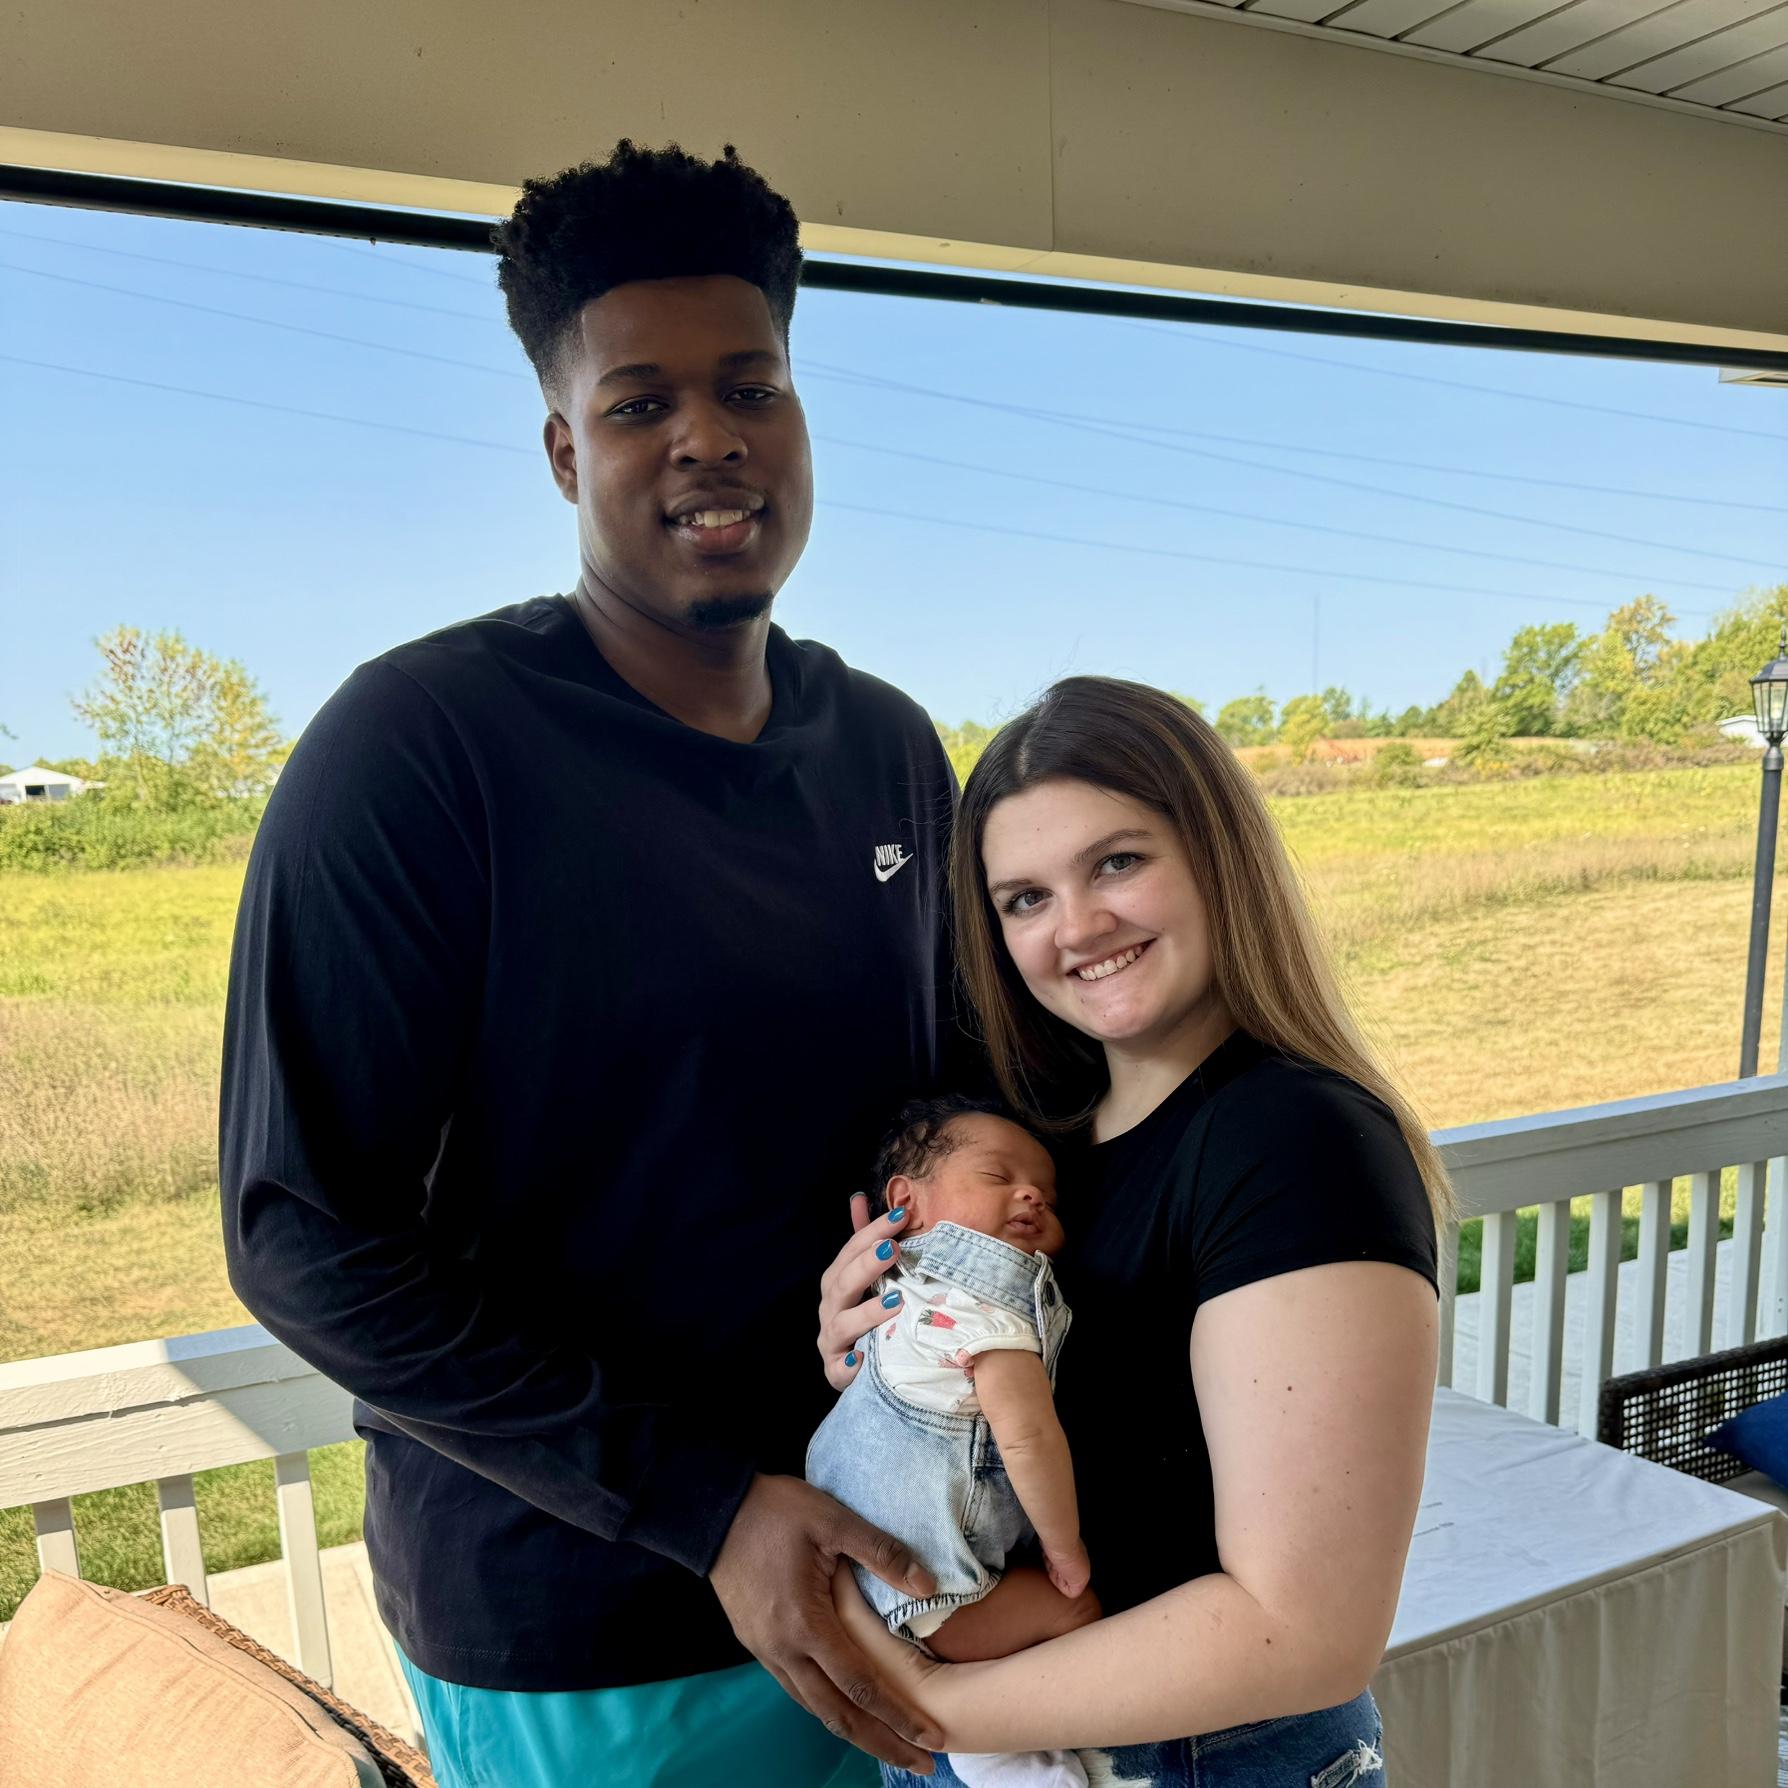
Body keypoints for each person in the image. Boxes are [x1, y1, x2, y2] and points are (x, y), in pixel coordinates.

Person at [219, 139, 961, 1787]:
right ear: (565, 451)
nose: (708, 436)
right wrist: (706, 1506)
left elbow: (960, 1112)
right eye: (639, 403)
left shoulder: (890, 751)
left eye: (750, 386)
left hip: (902, 1556)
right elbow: (299, 1233)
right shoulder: (424, 747)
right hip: (592, 1626)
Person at [817, 676, 1447, 1785]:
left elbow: (1307, 1630)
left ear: (1216, 855)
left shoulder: (1295, 1138)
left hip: (1202, 1756)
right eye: (1025, 898)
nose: (1078, 927)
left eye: (1116, 863)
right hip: (1025, 1725)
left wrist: (933, 1707)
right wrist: (882, 1349)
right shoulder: (1043, 1147)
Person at [807, 1097, 1096, 1788]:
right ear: (905, 1201)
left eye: (1049, 1197)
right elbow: (1028, 1436)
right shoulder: (982, 1302)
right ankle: (1001, 1751)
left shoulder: (898, 1287)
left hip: (863, 1574)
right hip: (937, 1598)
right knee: (1076, 1611)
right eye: (998, 1177)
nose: (1032, 1195)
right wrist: (1065, 1549)